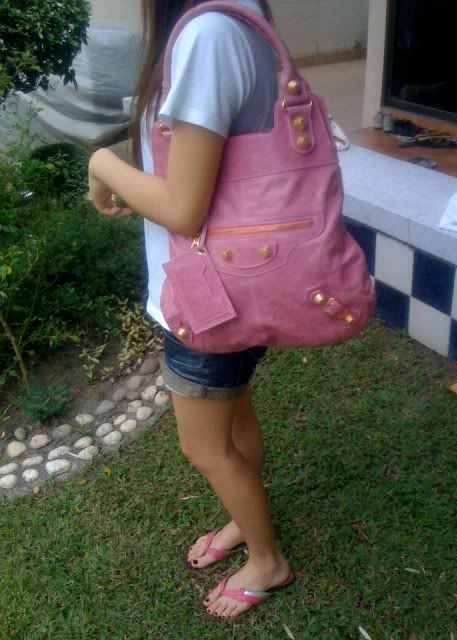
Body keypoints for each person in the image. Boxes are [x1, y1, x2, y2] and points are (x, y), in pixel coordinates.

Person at [88, 0, 294, 620]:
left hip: (207, 296)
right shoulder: (240, 17)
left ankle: (267, 561)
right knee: (233, 417)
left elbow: (182, 209)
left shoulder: (206, 33)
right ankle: (244, 523)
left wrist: (101, 163)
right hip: (232, 280)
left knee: (205, 447)